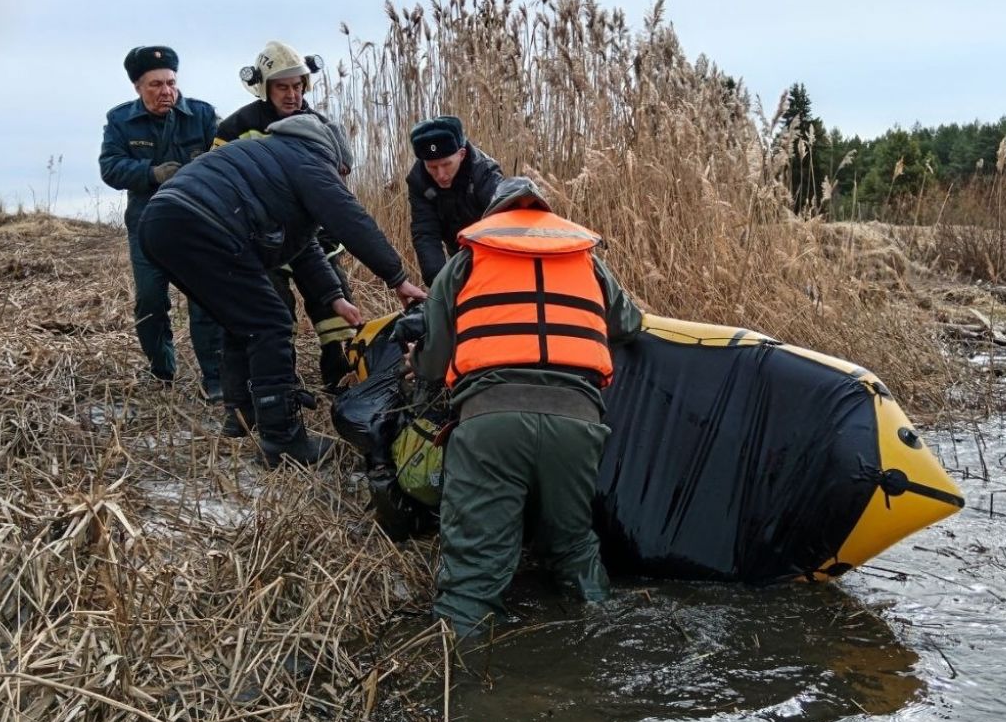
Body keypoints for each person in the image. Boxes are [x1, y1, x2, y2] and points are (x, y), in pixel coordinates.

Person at [402, 176, 642, 637]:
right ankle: (604, 639)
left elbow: (433, 362)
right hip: (577, 425)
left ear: (494, 216)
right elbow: (629, 324)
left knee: (474, 571)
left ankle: (466, 678)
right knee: (573, 547)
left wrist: (416, 361)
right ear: (545, 215)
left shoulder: (466, 262)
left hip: (490, 425)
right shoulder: (587, 261)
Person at [137, 113, 427, 467]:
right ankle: (282, 439)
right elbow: (350, 218)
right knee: (271, 321)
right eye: (342, 175)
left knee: (239, 319)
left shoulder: (273, 157)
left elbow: (304, 247)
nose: (341, 182)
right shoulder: (307, 157)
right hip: (202, 222)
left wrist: (333, 296)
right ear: (335, 158)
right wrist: (397, 277)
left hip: (160, 223)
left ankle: (242, 414)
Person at [214, 42, 356, 392]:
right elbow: (222, 185)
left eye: (298, 86)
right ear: (264, 87)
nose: (292, 95)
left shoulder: (320, 125)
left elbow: (336, 182)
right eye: (283, 87)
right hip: (261, 240)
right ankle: (280, 379)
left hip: (313, 235)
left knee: (334, 299)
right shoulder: (236, 128)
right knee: (274, 307)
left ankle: (339, 371)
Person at [99, 46, 223, 398]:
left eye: (171, 82)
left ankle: (214, 378)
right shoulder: (121, 121)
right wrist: (150, 173)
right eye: (155, 84)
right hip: (146, 226)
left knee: (205, 301)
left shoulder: (201, 115)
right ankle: (162, 370)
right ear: (138, 87)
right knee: (151, 302)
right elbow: (110, 167)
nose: (166, 91)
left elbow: (224, 156)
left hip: (197, 224)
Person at [406, 115, 503, 287]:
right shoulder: (418, 180)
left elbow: (504, 222)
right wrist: (438, 284)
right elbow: (425, 233)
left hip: (493, 254)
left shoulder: (484, 171)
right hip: (457, 254)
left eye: (446, 164)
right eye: (432, 167)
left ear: (461, 154)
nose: (441, 175)